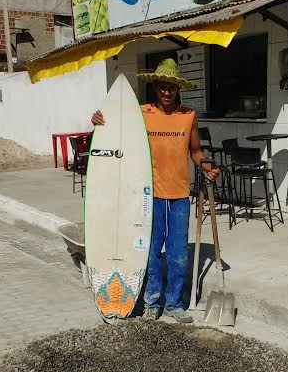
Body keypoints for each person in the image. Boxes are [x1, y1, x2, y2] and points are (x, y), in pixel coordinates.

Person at [91, 58, 218, 323]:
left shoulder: (189, 116)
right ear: (155, 87)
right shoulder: (141, 113)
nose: (166, 91)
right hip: (149, 196)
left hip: (180, 195)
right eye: (162, 86)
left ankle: (173, 303)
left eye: (171, 87)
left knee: (178, 253)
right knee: (149, 250)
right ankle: (152, 302)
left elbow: (195, 151)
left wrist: (206, 166)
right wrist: (100, 120)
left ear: (178, 89)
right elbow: (117, 129)